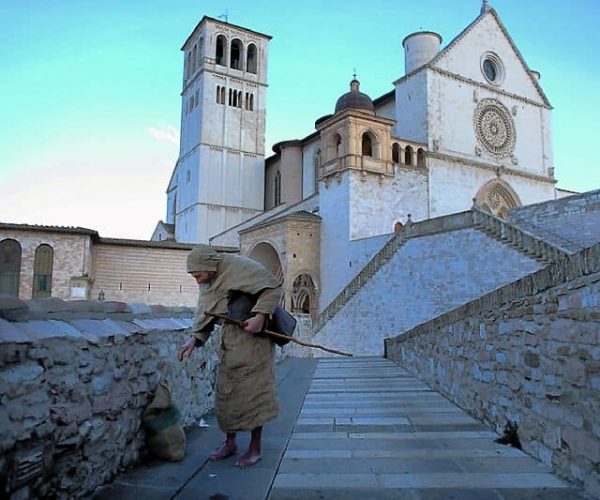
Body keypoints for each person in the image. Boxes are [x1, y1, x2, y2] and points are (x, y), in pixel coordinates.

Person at [178, 244, 282, 469]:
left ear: (208, 265)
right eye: (194, 276)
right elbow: (206, 310)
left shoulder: (238, 268)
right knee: (226, 394)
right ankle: (230, 443)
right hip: (230, 342)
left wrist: (260, 316)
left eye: (198, 274)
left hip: (255, 342)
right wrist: (194, 340)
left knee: (255, 394)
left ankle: (255, 449)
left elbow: (272, 288)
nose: (197, 280)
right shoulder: (209, 281)